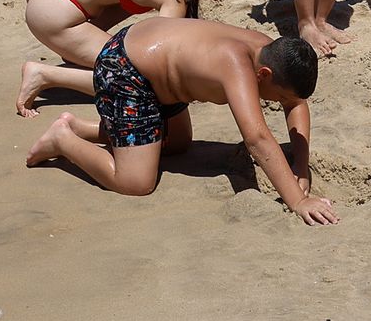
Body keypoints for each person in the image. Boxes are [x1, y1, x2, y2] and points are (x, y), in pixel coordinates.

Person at [25, 17, 336, 224]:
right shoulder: (236, 62)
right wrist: (297, 201)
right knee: (135, 182)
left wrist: (300, 165)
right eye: (276, 97)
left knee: (177, 144)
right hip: (126, 70)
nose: (279, 103)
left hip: (155, 66)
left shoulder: (271, 50)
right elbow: (257, 138)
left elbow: (297, 102)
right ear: (263, 75)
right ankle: (63, 137)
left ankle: (88, 129)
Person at [16, 0, 247, 115]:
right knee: (140, 80)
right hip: (54, 13)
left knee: (118, 45)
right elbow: (163, 60)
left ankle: (77, 57)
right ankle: (45, 75)